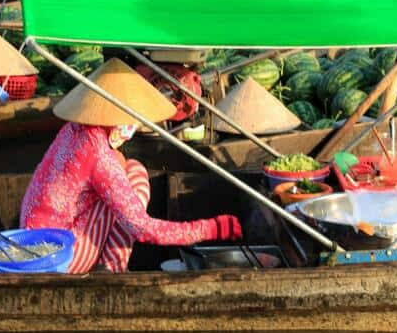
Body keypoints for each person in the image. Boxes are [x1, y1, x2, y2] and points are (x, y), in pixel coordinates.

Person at [21, 58, 243, 273]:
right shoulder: (98, 155)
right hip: (58, 258)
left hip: (30, 241)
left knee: (133, 168)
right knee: (134, 182)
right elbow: (143, 229)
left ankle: (111, 265)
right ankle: (112, 268)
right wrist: (211, 228)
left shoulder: (74, 130)